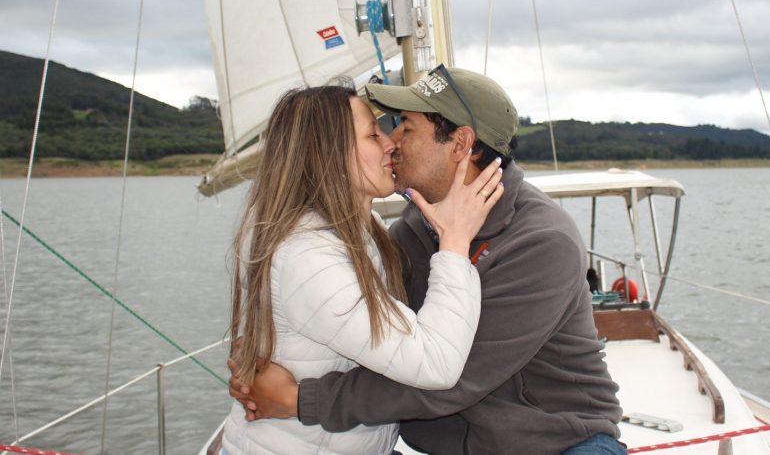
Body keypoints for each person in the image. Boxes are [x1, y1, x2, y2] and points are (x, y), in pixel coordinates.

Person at [229, 66, 625, 455]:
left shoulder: (541, 242)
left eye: (406, 127)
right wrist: (266, 352)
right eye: (380, 131)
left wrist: (299, 398)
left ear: (459, 144)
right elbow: (347, 310)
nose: (392, 141)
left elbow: (453, 376)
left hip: (557, 442)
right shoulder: (415, 226)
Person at [221, 84, 505, 455]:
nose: (390, 143)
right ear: (327, 153)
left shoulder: (359, 231)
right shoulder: (308, 257)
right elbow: (435, 364)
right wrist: (454, 242)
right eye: (373, 134)